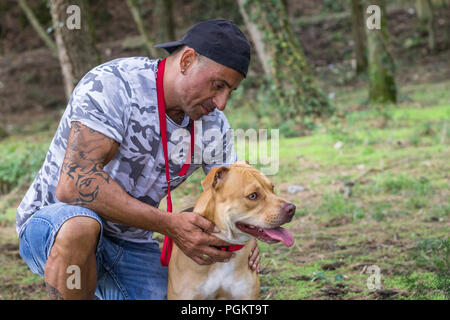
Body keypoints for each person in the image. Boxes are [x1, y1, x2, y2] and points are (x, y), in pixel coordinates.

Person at [16, 19, 260, 300]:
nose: (222, 103)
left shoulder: (213, 125)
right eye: (218, 85)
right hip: (55, 224)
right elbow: (74, 185)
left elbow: (236, 191)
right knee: (80, 226)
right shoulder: (113, 84)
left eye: (230, 91)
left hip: (132, 242)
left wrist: (247, 232)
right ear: (188, 60)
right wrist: (170, 224)